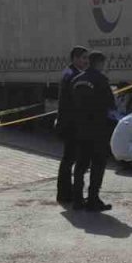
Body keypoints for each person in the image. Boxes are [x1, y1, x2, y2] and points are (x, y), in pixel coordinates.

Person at [69, 50, 116, 211]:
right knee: (97, 164)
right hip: (97, 128)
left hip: (80, 128)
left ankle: (77, 199)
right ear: (100, 63)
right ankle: (93, 199)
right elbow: (110, 104)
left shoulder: (76, 79)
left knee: (80, 164)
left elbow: (71, 102)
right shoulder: (101, 79)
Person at [55, 46, 89, 204]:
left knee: (68, 159)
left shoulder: (70, 73)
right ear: (75, 58)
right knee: (69, 159)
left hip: (69, 122)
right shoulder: (72, 75)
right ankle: (65, 194)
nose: (86, 61)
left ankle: (65, 193)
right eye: (83, 58)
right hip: (71, 124)